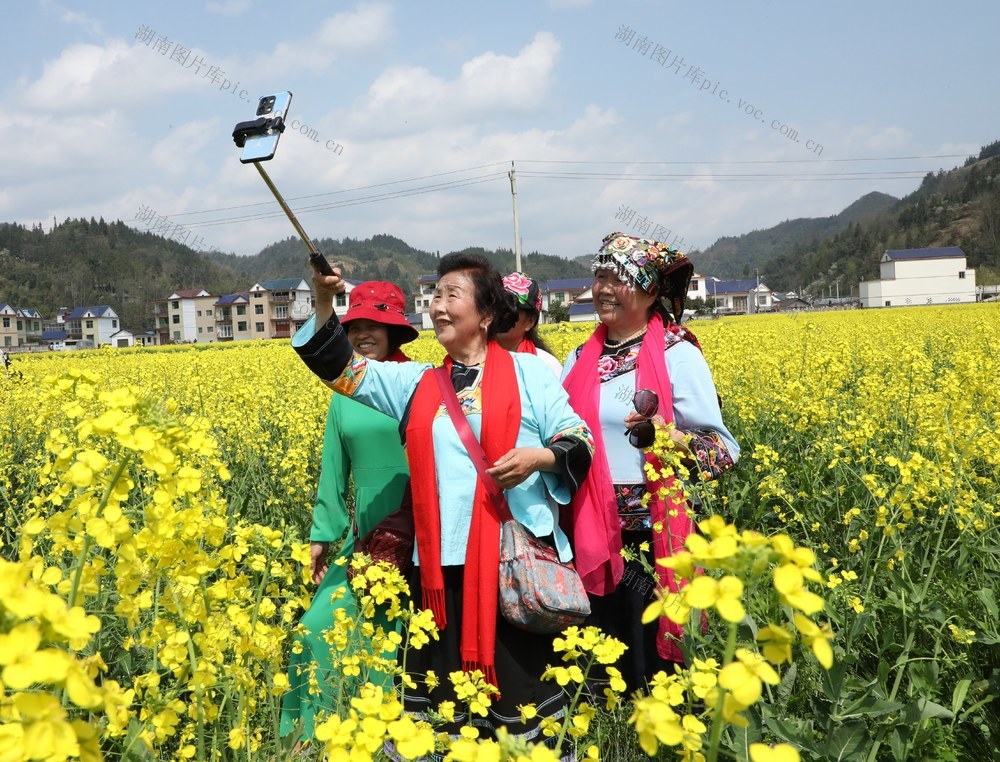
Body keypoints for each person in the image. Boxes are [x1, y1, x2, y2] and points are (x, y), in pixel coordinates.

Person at [292, 252, 593, 754]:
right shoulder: (415, 384)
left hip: (510, 571)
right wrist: (325, 297)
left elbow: (576, 440)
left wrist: (538, 458)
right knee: (443, 712)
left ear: (487, 314)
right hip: (437, 572)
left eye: (452, 295)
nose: (438, 306)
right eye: (435, 296)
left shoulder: (531, 374)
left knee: (519, 713)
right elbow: (337, 367)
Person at [561, 232, 739, 692]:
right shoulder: (577, 358)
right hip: (588, 528)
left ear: (650, 291)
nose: (603, 288)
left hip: (653, 533)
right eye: (599, 275)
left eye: (618, 278)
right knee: (598, 654)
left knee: (652, 660)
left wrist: (668, 437)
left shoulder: (679, 355)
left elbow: (722, 448)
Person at [280, 281, 418, 743]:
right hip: (367, 541)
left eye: (373, 325)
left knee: (403, 641)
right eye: (353, 326)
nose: (361, 334)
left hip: (423, 533)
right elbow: (333, 473)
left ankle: (390, 737)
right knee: (316, 628)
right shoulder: (344, 392)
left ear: (394, 331)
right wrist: (323, 535)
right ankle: (315, 737)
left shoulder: (421, 380)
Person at [497, 271, 563, 377]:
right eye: (495, 306)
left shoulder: (546, 365)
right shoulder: (474, 359)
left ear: (529, 322)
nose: (499, 314)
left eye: (508, 310)